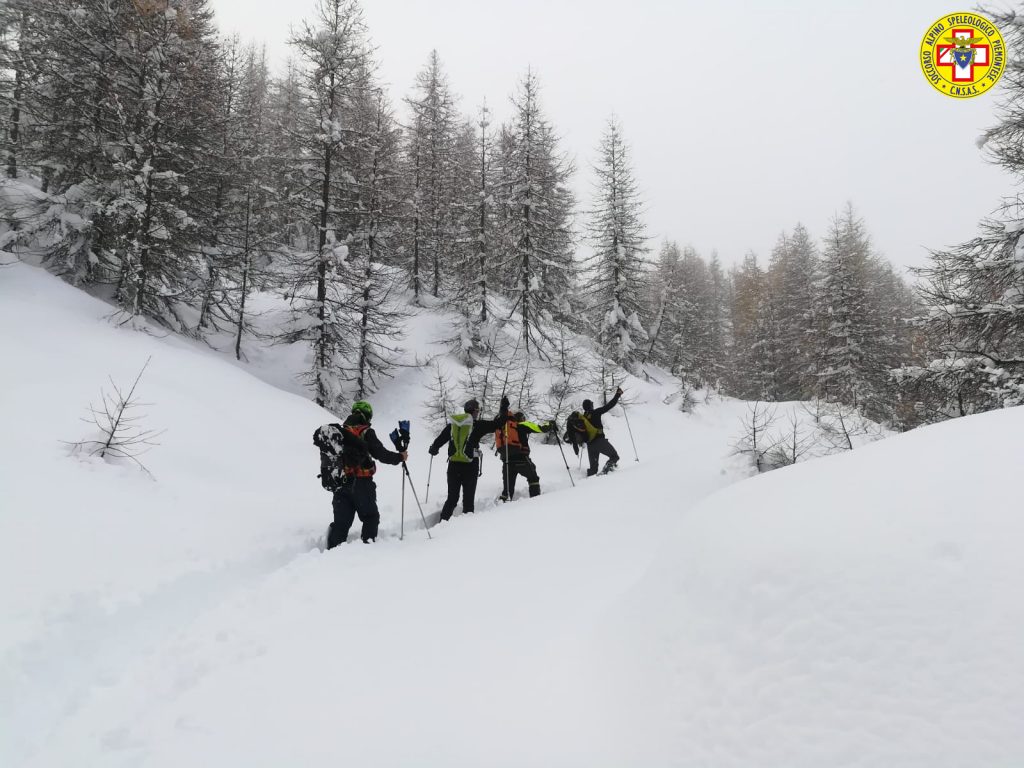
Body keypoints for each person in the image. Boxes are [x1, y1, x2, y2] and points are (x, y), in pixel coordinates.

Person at [317, 400, 407, 548]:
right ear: (367, 416)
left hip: (340, 484)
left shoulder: (339, 432)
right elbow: (380, 454)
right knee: (370, 517)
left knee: (341, 524)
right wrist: (400, 457)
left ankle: (331, 557)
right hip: (362, 484)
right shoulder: (366, 431)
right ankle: (366, 552)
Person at [429, 395, 509, 521]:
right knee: (468, 499)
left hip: (453, 465)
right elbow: (498, 424)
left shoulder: (453, 424)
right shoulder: (477, 425)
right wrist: (504, 408)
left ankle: (441, 525)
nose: (478, 413)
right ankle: (466, 530)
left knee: (452, 498)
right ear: (475, 411)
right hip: (470, 465)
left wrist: (434, 448)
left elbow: (439, 441)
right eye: (478, 411)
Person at [495, 412, 555, 501]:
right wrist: (550, 424)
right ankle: (535, 500)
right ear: (521, 419)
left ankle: (502, 507)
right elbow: (541, 428)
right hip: (521, 459)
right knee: (533, 478)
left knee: (507, 488)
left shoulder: (505, 429)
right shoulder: (522, 425)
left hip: (507, 461)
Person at [570, 387, 623, 476]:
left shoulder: (583, 418)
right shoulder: (596, 412)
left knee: (593, 470)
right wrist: (618, 394)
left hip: (590, 445)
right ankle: (605, 473)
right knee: (614, 456)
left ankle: (587, 484)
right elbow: (610, 405)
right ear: (591, 406)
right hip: (600, 442)